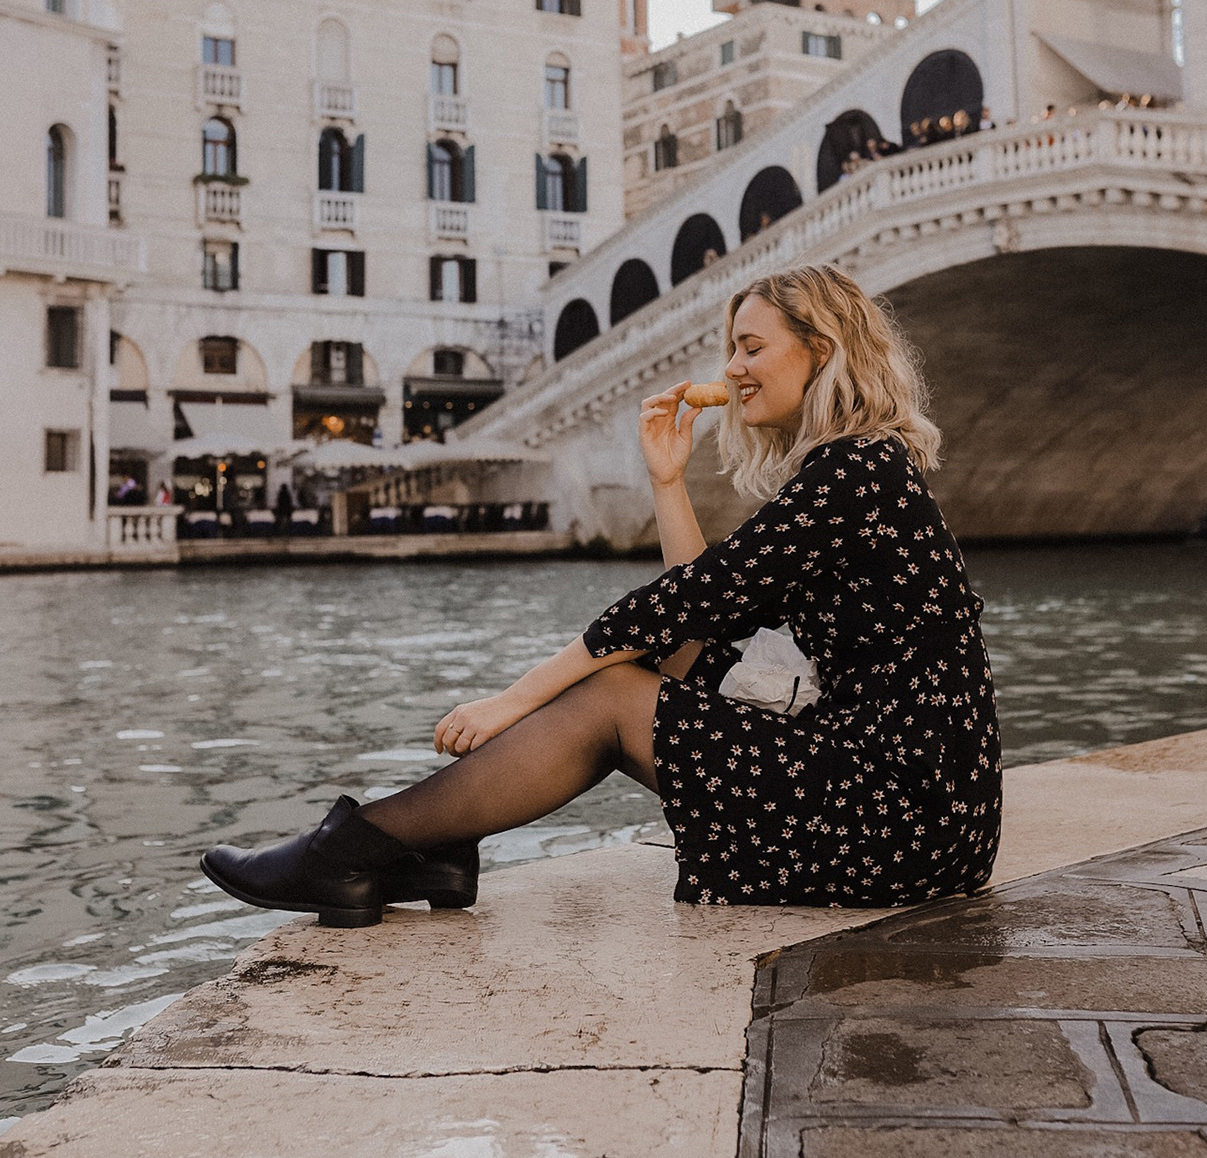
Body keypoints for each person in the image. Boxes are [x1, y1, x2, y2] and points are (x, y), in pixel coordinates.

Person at [199, 265, 1002, 926]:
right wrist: (667, 482)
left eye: (752, 347)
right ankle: (437, 848)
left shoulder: (856, 470)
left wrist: (511, 701)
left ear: (820, 350)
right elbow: (703, 617)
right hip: (922, 813)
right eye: (732, 349)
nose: (732, 368)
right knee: (678, 655)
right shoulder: (861, 468)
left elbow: (673, 608)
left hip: (904, 819)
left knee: (615, 694)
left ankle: (352, 850)